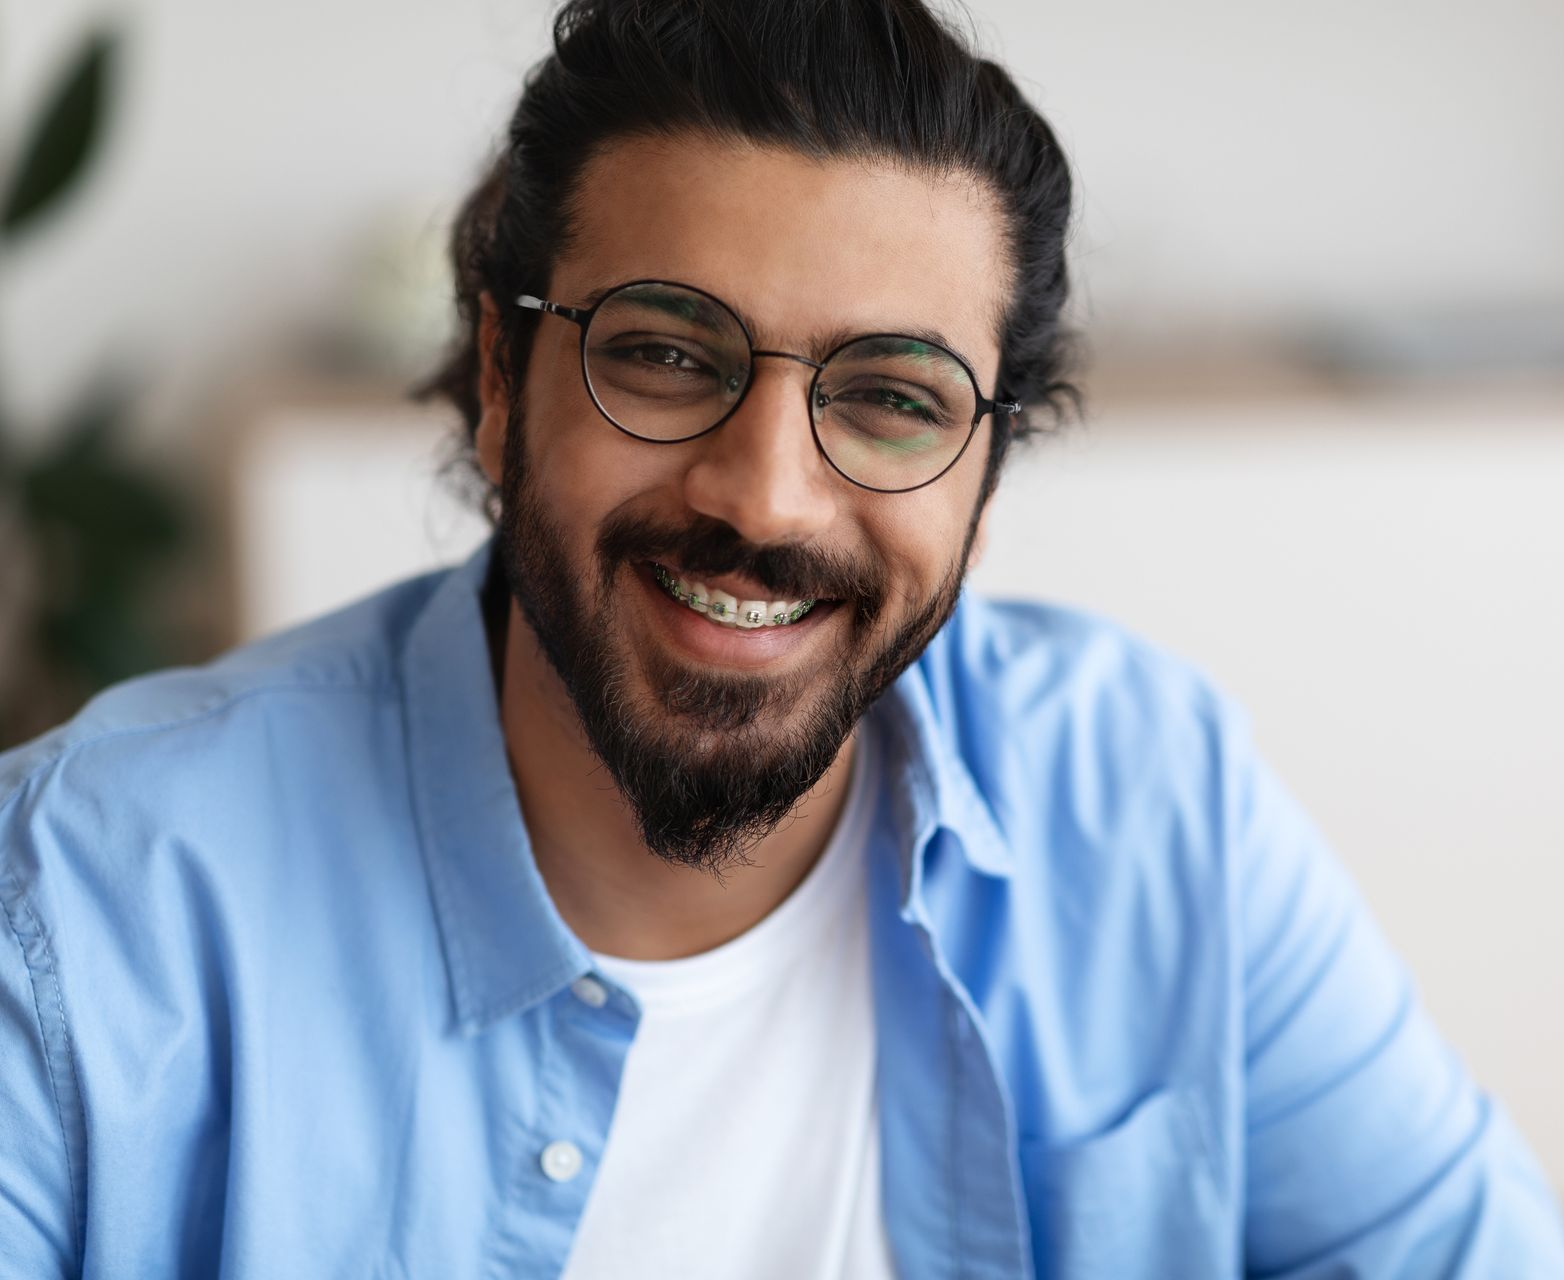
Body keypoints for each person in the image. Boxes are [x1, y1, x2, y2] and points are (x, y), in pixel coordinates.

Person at [3, 1, 1561, 1275]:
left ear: (989, 475)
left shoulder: (1148, 796)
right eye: (669, 356)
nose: (763, 495)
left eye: (892, 399)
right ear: (499, 380)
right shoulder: (85, 903)